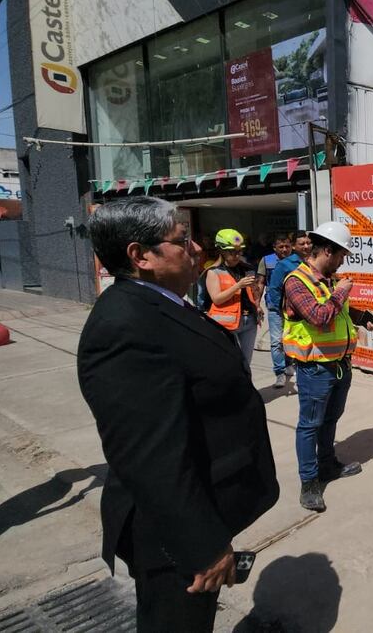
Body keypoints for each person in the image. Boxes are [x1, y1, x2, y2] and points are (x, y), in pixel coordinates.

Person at [77, 197, 279, 631]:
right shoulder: (124, 327)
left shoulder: (165, 302)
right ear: (141, 255)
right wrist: (203, 547)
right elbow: (150, 456)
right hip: (172, 538)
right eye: (182, 241)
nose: (195, 250)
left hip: (200, 508)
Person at [282, 222, 373, 513]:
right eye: (341, 255)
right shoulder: (296, 281)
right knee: (310, 425)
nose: (342, 261)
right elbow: (319, 316)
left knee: (331, 420)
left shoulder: (329, 278)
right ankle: (309, 483)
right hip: (315, 368)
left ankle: (327, 465)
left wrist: (362, 316)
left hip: (339, 364)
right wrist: (342, 293)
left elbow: (339, 313)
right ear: (327, 250)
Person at [205, 228, 263, 367]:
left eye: (239, 251)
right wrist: (238, 286)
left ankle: (245, 388)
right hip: (227, 324)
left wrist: (257, 304)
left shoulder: (246, 268)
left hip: (249, 320)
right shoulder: (213, 272)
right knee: (230, 362)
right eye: (232, 251)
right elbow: (217, 299)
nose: (237, 255)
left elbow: (252, 292)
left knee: (245, 363)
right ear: (221, 251)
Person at [261, 234, 296, 388]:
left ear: (291, 246)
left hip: (292, 306)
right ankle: (279, 373)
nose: (284, 249)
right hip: (274, 306)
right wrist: (256, 304)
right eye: (280, 246)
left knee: (289, 339)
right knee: (276, 342)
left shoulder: (296, 261)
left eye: (287, 246)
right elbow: (260, 282)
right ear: (274, 247)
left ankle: (289, 365)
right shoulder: (266, 261)